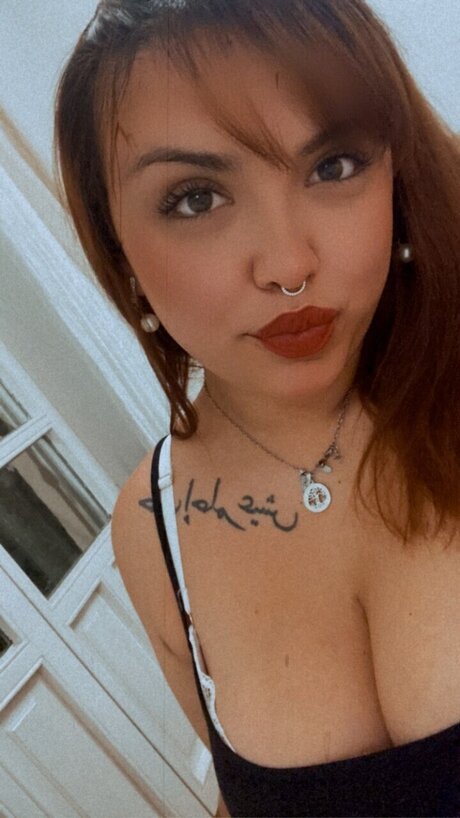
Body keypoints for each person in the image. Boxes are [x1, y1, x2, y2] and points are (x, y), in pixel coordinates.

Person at [54, 1, 460, 815]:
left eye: (333, 165)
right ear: (118, 247)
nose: (288, 265)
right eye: (196, 199)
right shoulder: (153, 526)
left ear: (397, 173)